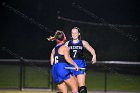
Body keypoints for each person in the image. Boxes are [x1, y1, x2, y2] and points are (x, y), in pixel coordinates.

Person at [65, 27, 96, 93]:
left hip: (80, 65)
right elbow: (62, 53)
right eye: (72, 33)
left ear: (79, 34)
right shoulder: (67, 43)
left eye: (75, 33)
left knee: (82, 88)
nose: (74, 34)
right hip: (71, 66)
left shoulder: (83, 42)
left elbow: (91, 49)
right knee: (74, 88)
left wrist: (94, 56)